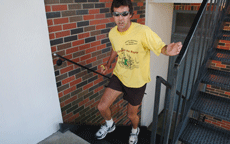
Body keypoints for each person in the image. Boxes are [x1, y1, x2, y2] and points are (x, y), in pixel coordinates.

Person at [95, 0, 182, 143]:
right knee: (102, 106)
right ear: (113, 15)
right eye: (117, 14)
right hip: (119, 75)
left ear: (131, 14)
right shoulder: (112, 33)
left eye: (124, 14)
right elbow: (115, 48)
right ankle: (110, 125)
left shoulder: (143, 31)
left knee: (131, 115)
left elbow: (160, 47)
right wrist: (108, 64)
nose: (120, 18)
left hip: (137, 81)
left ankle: (135, 130)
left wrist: (167, 50)